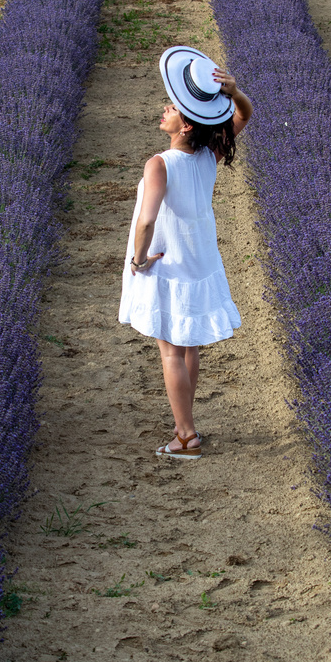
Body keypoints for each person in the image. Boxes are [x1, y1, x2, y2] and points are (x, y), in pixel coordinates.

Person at [118, 45, 253, 459]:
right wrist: (234, 92)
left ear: (187, 125)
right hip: (201, 262)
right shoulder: (209, 156)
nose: (164, 109)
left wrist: (139, 260)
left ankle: (186, 436)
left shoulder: (159, 164)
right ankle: (187, 426)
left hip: (170, 266)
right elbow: (243, 116)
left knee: (171, 352)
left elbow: (146, 220)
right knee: (188, 347)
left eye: (172, 107)